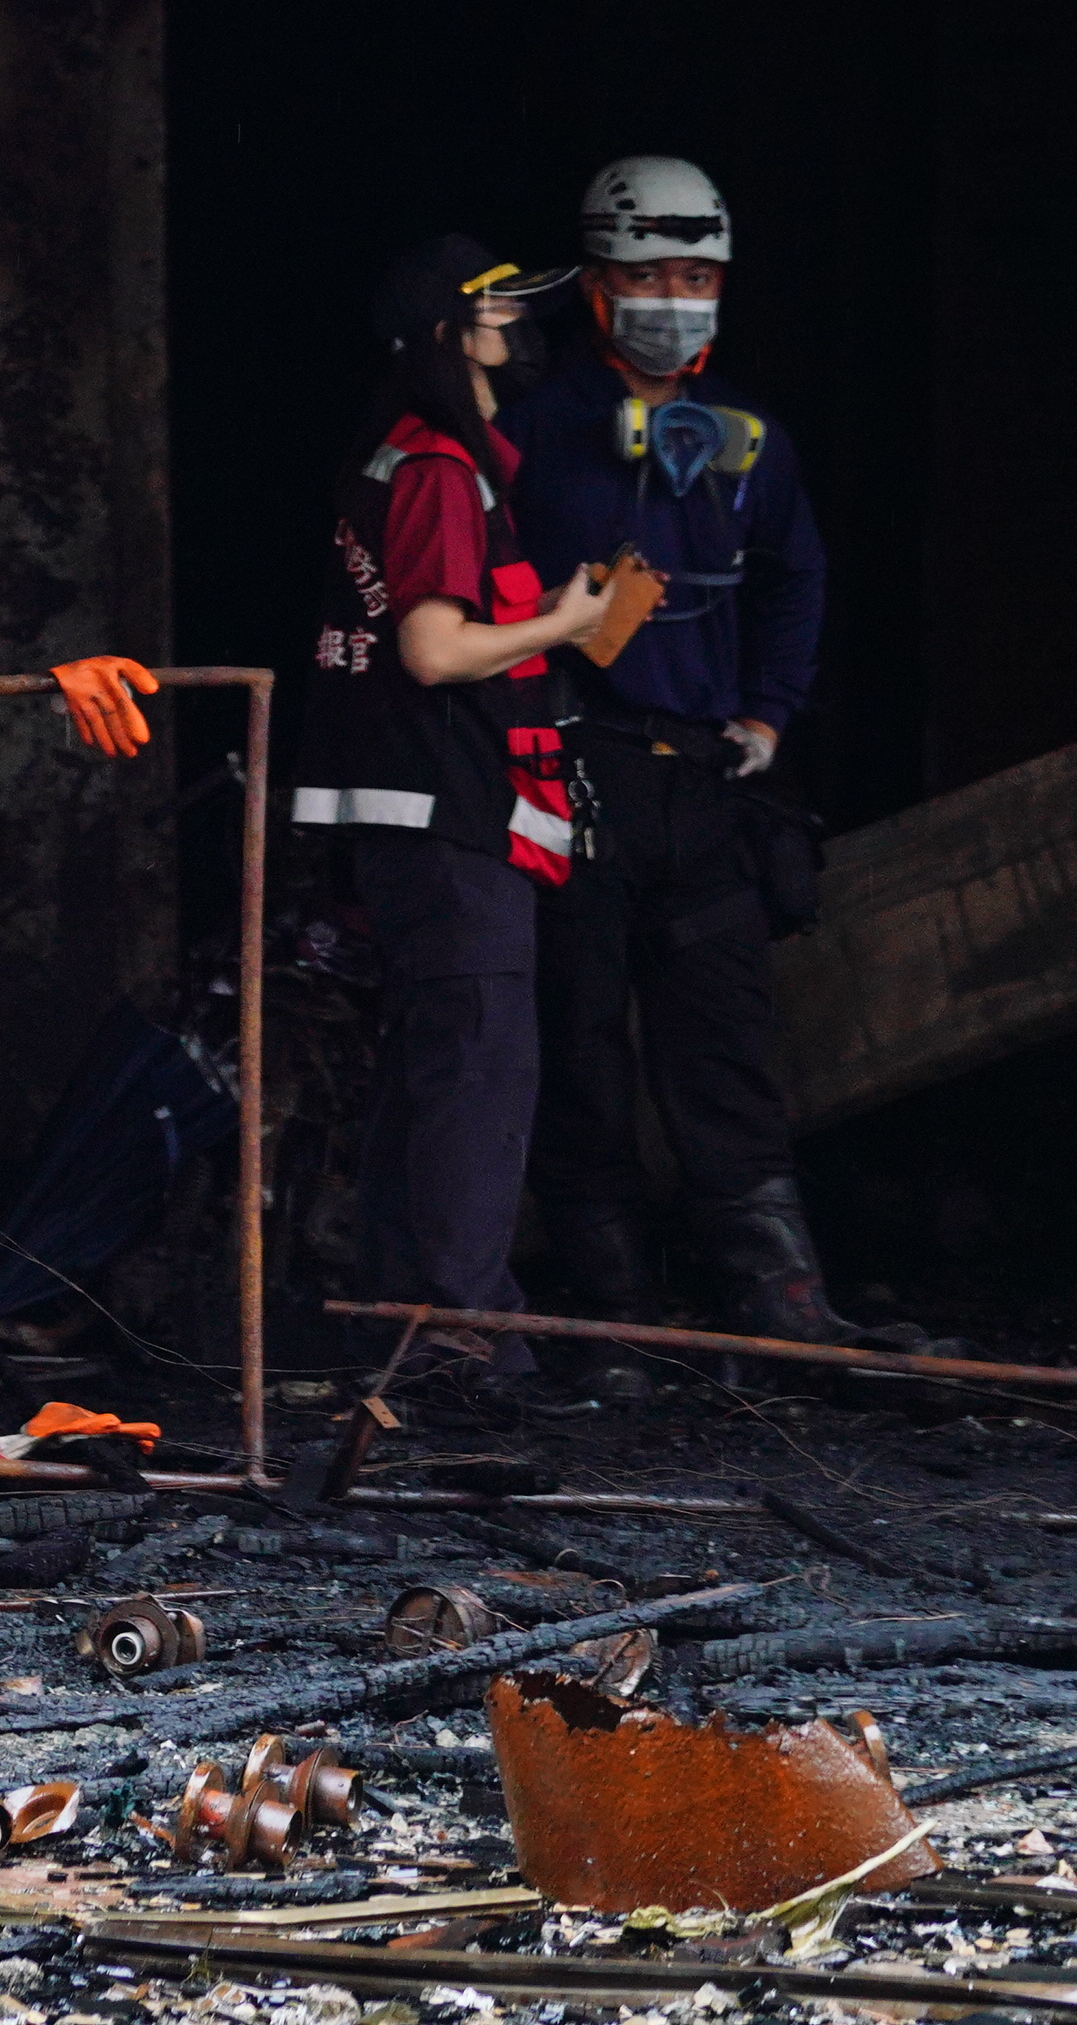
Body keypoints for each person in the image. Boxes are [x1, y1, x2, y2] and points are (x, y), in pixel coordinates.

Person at [499, 154, 859, 1366]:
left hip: (705, 782)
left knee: (722, 1039)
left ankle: (780, 1302)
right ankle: (610, 1315)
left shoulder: (749, 437)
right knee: (581, 1039)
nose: (674, 293)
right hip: (580, 773)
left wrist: (766, 712)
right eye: (648, 272)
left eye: (696, 273)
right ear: (594, 283)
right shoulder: (533, 427)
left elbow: (794, 576)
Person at [289, 236, 615, 1413]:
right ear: (443, 336)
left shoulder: (422, 461)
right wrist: (567, 624)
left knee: (434, 1070)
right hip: (444, 810)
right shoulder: (434, 468)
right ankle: (461, 1340)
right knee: (479, 1069)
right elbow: (431, 650)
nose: (516, 333)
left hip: (419, 812)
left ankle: (404, 1321)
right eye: (494, 316)